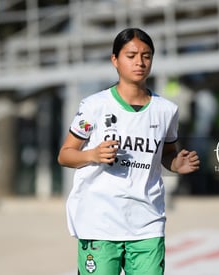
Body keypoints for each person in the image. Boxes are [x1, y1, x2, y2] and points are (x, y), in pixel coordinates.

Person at [57, 28, 200, 275]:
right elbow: (65, 154)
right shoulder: (94, 106)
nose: (140, 62)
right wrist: (92, 155)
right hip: (99, 223)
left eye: (146, 56)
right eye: (131, 55)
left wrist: (176, 164)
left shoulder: (166, 110)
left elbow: (167, 154)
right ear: (115, 60)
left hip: (147, 222)